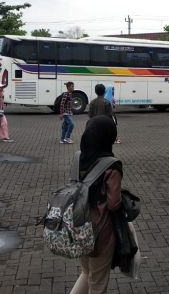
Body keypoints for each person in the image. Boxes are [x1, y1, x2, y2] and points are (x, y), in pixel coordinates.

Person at [70, 115, 122, 294]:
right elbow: (114, 204)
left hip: (79, 224)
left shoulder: (78, 158)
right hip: (101, 232)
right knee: (98, 283)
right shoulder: (112, 165)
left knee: (86, 273)